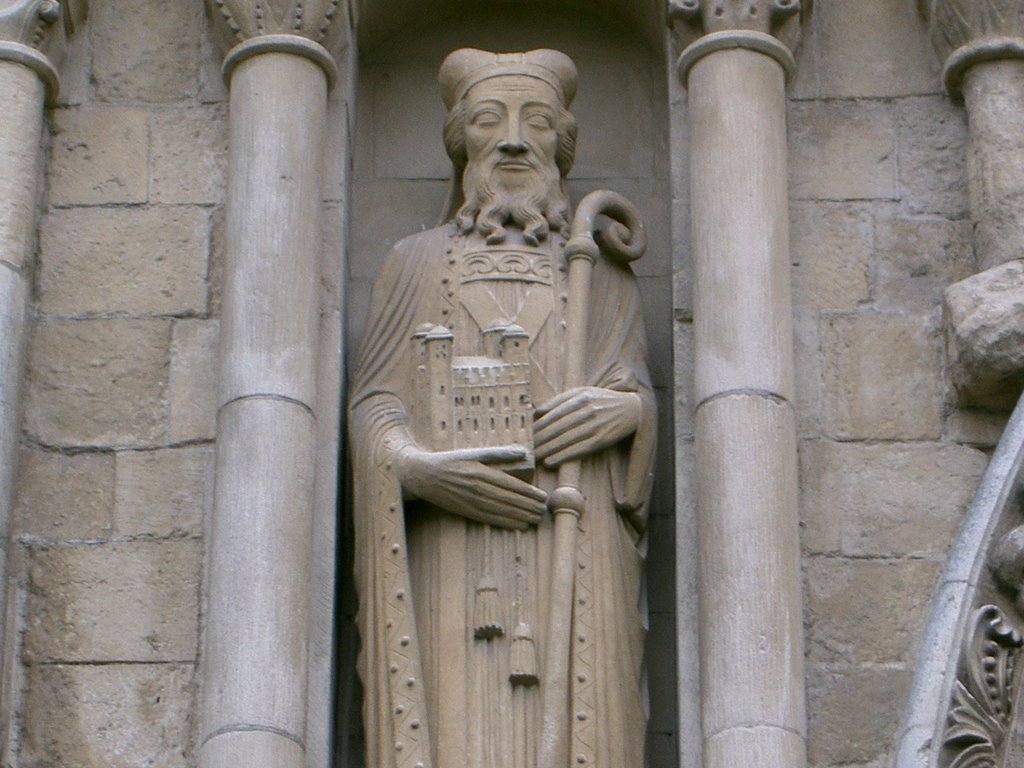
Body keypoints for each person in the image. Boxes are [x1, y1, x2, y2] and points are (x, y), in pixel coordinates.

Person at [349, 48, 656, 768]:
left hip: (574, 541)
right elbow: (376, 406)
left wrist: (628, 417)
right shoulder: (415, 262)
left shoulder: (602, 277)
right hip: (453, 554)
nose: (515, 139)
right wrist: (417, 470)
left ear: (560, 144)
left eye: (537, 123)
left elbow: (631, 384)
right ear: (464, 142)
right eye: (492, 121)